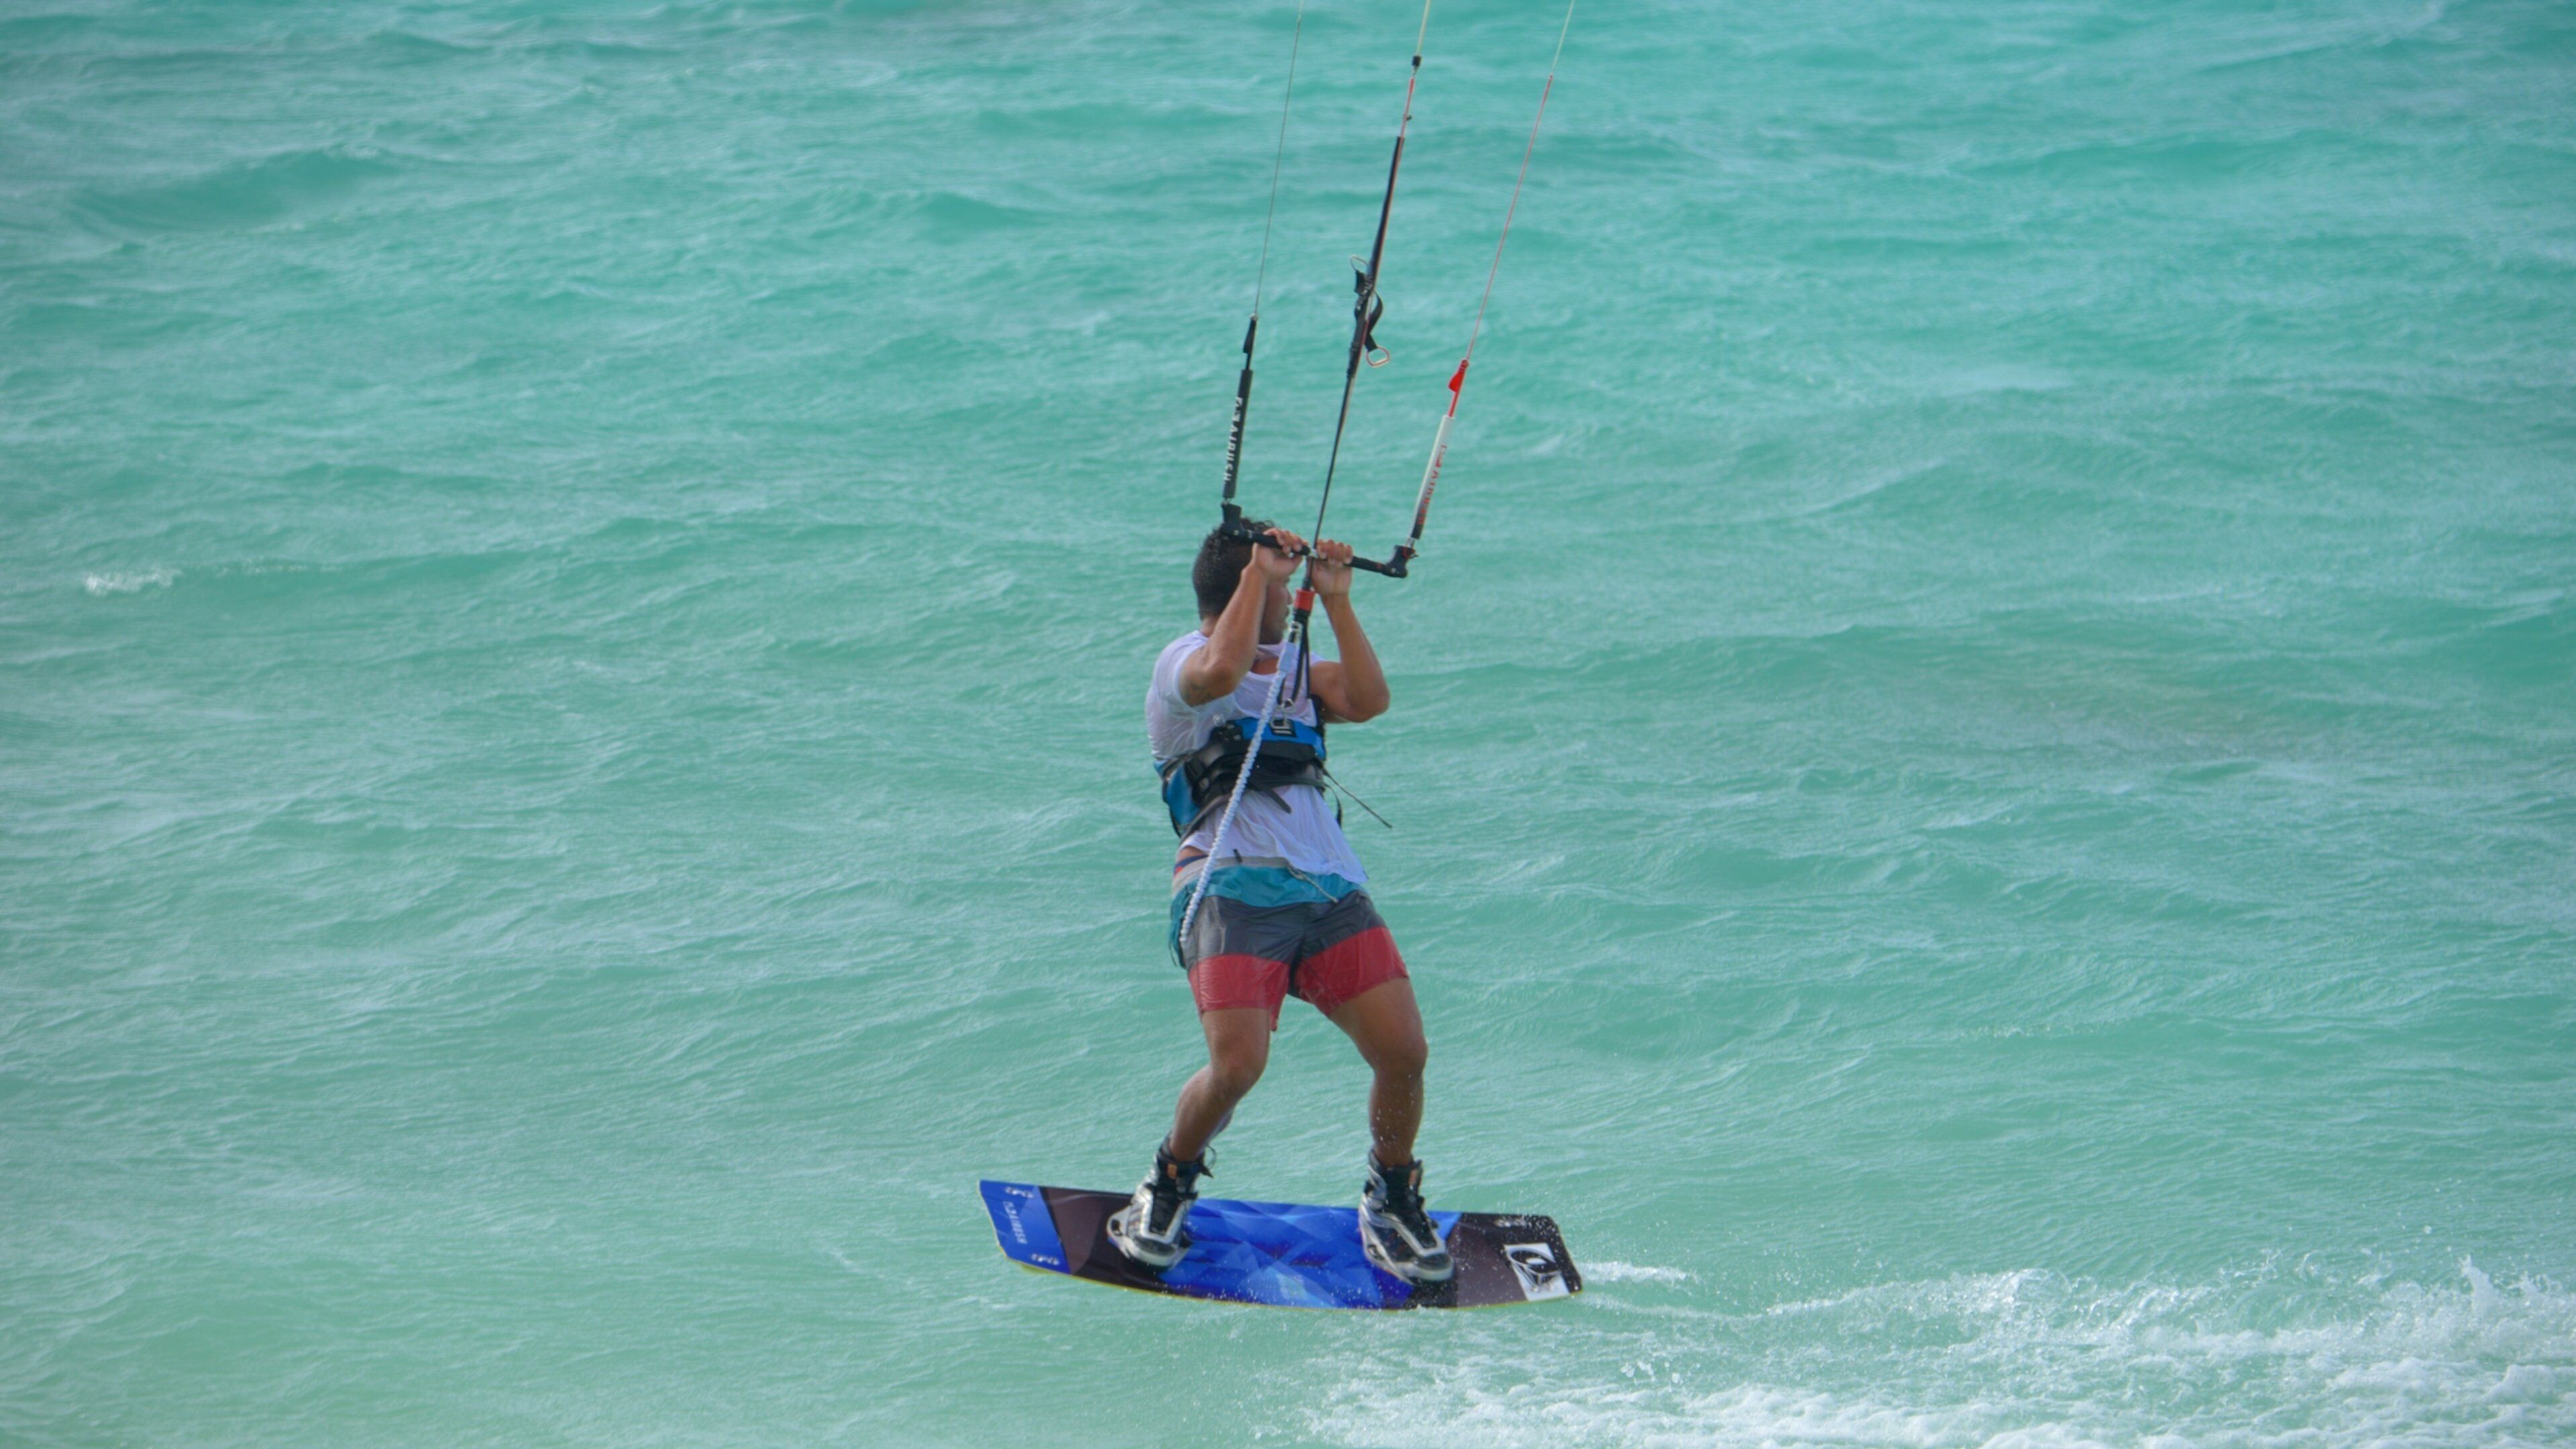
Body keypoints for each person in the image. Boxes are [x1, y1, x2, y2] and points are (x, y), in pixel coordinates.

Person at [1106, 521, 1452, 1283]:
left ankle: (1391, 1195)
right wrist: (1260, 577)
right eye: (1274, 579)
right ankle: (1166, 1183)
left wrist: (1335, 602)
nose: (1288, 586)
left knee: (1404, 1052)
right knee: (1238, 1066)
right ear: (1244, 590)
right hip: (1230, 881)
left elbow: (1368, 699)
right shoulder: (1181, 664)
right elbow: (1220, 675)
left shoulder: (1298, 668)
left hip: (1327, 885)